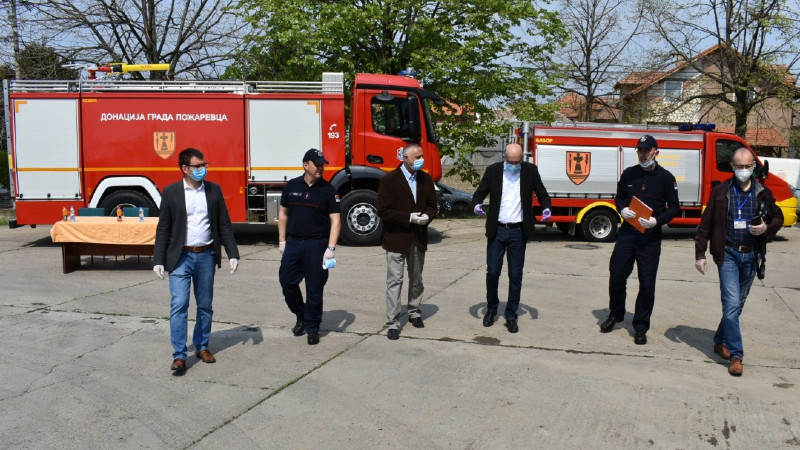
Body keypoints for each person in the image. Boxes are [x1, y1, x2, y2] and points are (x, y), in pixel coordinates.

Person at [694, 147, 783, 376]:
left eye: (748, 166)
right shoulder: (721, 192)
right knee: (732, 303)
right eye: (739, 166)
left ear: (753, 167)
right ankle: (736, 355)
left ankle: (719, 340)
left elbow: (778, 217)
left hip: (751, 256)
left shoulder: (763, 192)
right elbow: (705, 224)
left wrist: (766, 228)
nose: (744, 170)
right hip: (728, 255)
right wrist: (700, 254)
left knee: (737, 305)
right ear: (732, 167)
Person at [153, 147, 240, 373]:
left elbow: (224, 224)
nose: (203, 169)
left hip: (206, 256)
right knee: (179, 304)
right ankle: (179, 355)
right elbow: (163, 228)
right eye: (198, 166)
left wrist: (232, 253)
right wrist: (158, 259)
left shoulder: (213, 190)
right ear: (185, 168)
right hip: (180, 257)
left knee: (205, 305)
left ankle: (202, 346)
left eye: (204, 165)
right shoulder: (171, 192)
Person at [599, 135, 679, 345]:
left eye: (646, 150)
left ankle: (641, 326)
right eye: (640, 150)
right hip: (627, 234)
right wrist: (622, 209)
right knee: (617, 276)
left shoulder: (666, 178)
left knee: (647, 284)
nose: (643, 154)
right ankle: (616, 313)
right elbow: (619, 197)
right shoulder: (629, 174)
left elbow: (675, 207)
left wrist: (657, 221)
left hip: (649, 238)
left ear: (656, 152)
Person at [472, 143, 551, 333]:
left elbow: (542, 193)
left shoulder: (530, 171)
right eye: (511, 162)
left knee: (515, 275)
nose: (514, 165)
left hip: (518, 231)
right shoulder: (493, 171)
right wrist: (476, 204)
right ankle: (492, 308)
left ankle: (511, 315)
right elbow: (480, 192)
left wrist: (546, 207)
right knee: (493, 272)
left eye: (517, 162)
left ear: (521, 159)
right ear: (504, 158)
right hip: (497, 230)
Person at [278, 148, 341, 345]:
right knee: (287, 282)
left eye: (323, 164)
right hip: (294, 243)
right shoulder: (292, 186)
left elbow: (336, 221)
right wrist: (282, 241)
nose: (321, 168)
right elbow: (283, 214)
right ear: (306, 165)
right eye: (317, 164)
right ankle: (301, 315)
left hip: (317, 244)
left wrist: (331, 248)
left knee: (314, 288)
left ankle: (312, 327)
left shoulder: (328, 190)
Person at [377, 143, 438, 340]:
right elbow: (383, 211)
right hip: (396, 238)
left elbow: (432, 205)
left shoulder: (425, 179)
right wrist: (408, 218)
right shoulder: (389, 180)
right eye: (417, 157)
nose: (421, 160)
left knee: (417, 278)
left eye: (422, 156)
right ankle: (393, 322)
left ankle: (414, 311)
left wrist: (427, 217)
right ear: (405, 158)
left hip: (418, 238)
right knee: (394, 280)